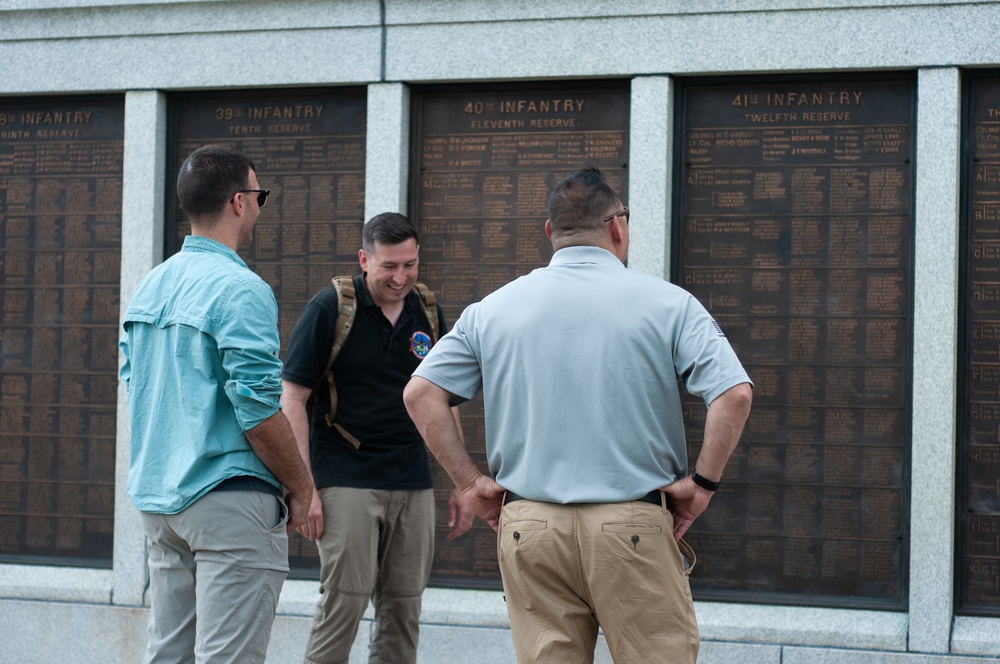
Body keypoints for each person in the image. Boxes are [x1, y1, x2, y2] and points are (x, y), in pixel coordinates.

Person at [403, 166, 753, 664]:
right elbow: (734, 395)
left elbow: (420, 394)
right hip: (631, 523)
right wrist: (702, 485)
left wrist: (469, 483)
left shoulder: (492, 310)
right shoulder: (670, 304)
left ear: (550, 233)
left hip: (529, 525)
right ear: (618, 226)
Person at [119, 144, 315, 663]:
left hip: (160, 502)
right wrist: (301, 486)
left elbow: (133, 384)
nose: (258, 206)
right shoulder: (241, 289)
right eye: (259, 196)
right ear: (238, 201)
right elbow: (258, 410)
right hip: (229, 501)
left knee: (169, 657)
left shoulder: (148, 288)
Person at [281, 212, 473, 664]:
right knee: (344, 601)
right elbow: (292, 398)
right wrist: (303, 487)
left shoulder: (426, 310)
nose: (400, 277)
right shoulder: (329, 308)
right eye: (389, 266)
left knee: (404, 608)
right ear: (364, 259)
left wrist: (463, 484)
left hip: (412, 477)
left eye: (409, 264)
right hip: (346, 475)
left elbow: (442, 400)